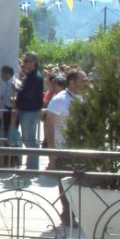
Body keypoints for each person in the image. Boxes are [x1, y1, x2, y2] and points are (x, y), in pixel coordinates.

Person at [44, 70, 88, 228]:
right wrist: (52, 152)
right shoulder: (59, 100)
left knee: (80, 182)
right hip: (64, 149)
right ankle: (68, 214)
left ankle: (75, 213)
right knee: (66, 184)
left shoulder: (83, 98)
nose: (86, 83)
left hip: (80, 148)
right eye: (83, 80)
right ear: (72, 82)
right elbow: (49, 125)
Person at [16, 51, 45, 170]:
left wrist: (18, 89)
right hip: (26, 110)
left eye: (26, 61)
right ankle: (31, 165)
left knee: (30, 139)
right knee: (27, 139)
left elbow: (30, 94)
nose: (24, 63)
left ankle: (32, 167)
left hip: (30, 111)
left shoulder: (35, 77)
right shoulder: (30, 75)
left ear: (33, 63)